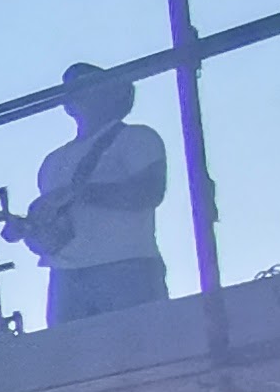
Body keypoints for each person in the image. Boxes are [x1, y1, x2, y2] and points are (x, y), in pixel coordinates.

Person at [17, 61, 173, 326]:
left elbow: (149, 192)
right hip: (66, 277)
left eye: (87, 87)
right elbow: (57, 229)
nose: (77, 94)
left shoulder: (137, 138)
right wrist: (32, 231)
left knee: (145, 349)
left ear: (112, 94)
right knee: (74, 361)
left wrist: (81, 194)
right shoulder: (53, 161)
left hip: (127, 266)